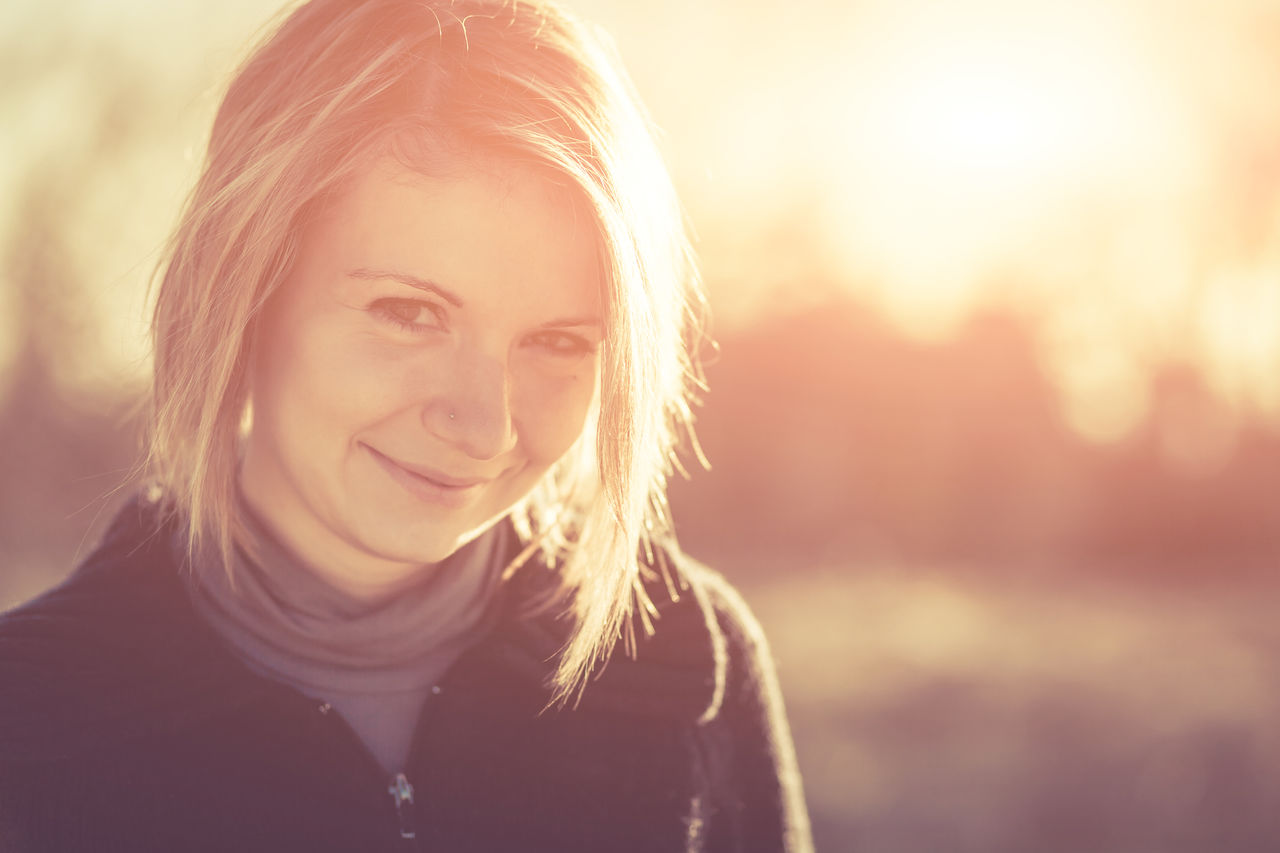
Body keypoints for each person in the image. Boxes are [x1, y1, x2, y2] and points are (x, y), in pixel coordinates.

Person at [0, 0, 813, 850]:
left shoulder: (688, 666)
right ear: (241, 290)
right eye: (408, 312)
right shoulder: (31, 731)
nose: (484, 424)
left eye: (558, 341)